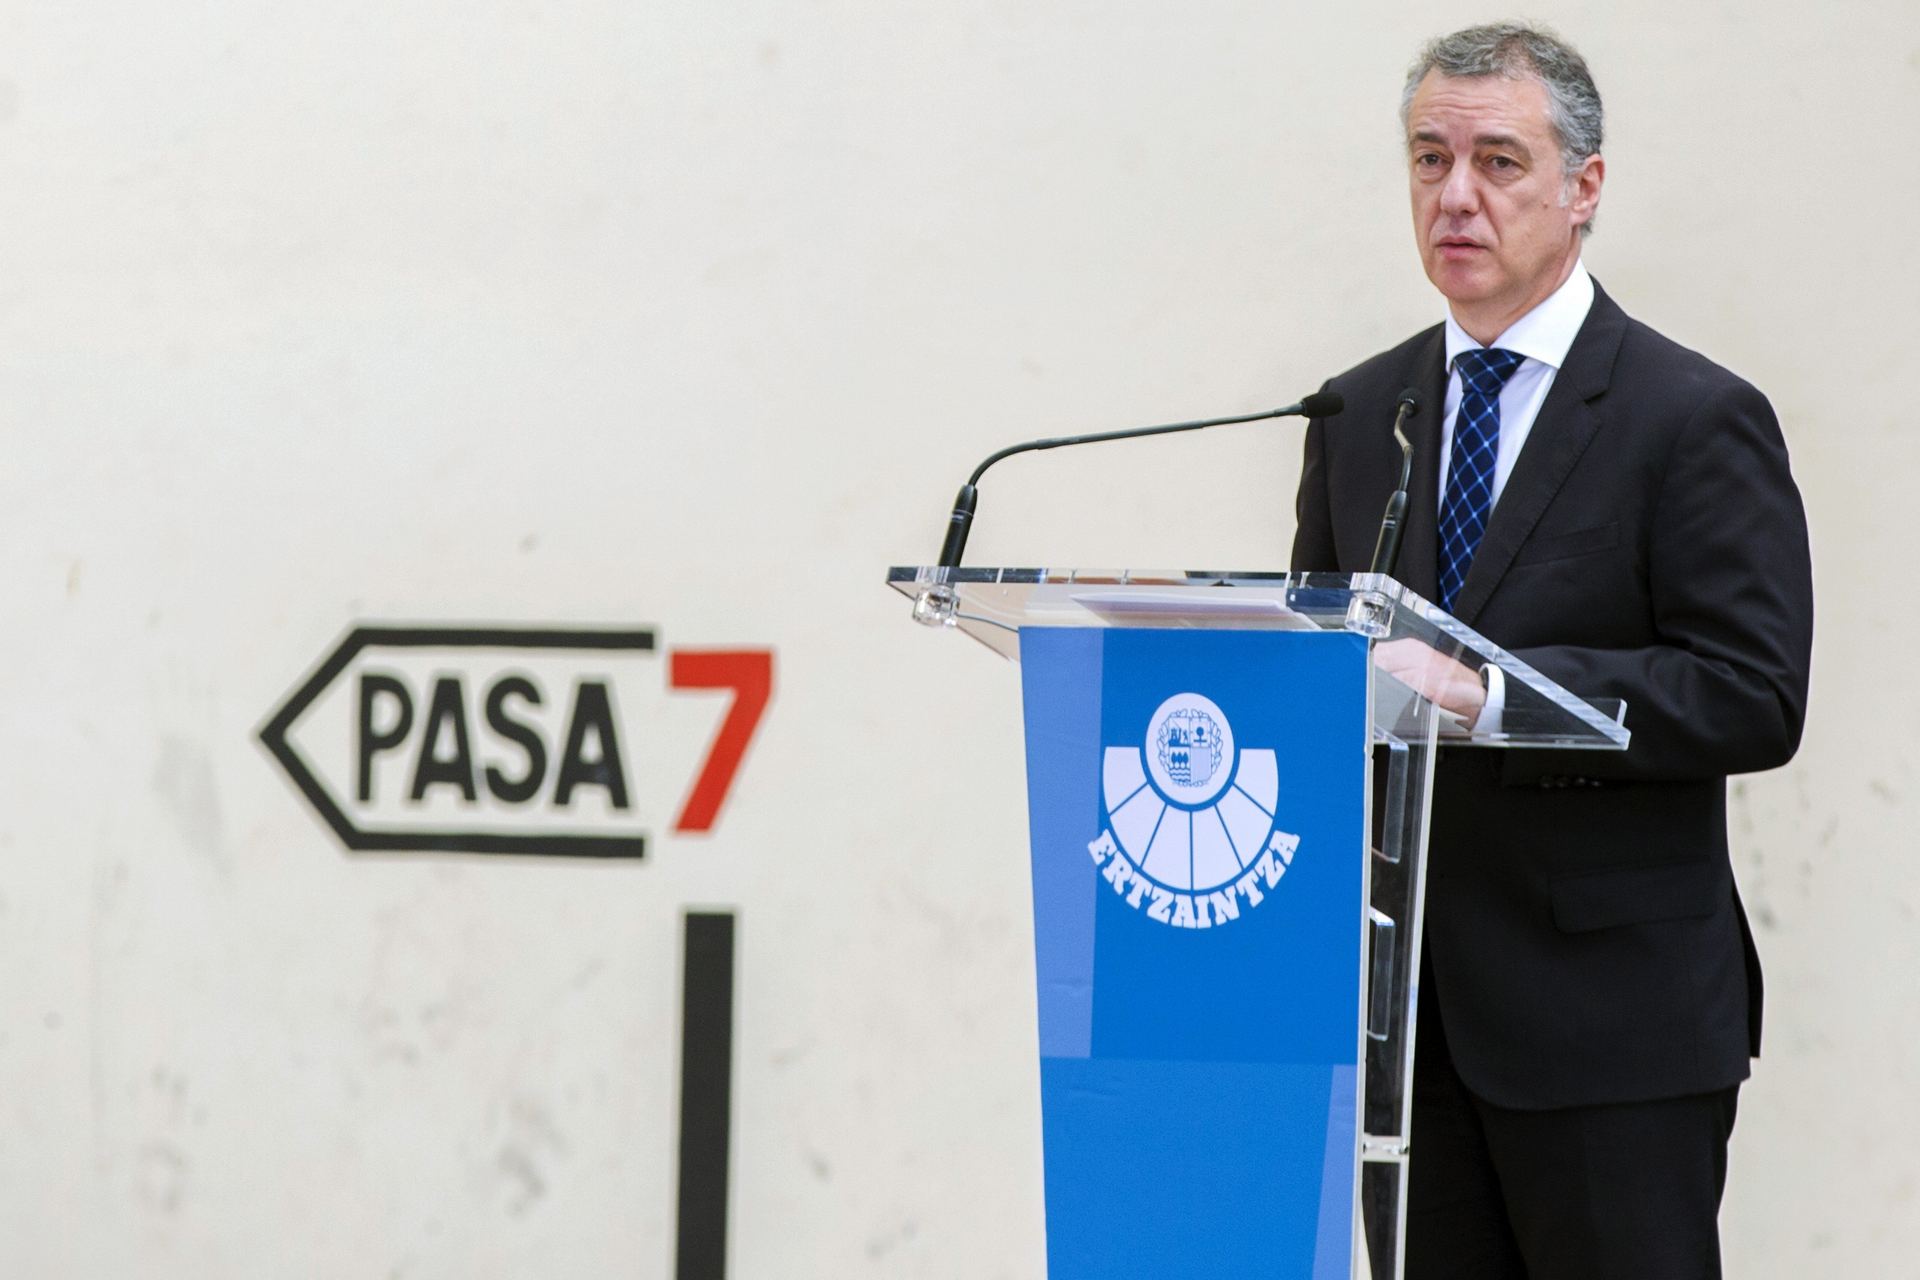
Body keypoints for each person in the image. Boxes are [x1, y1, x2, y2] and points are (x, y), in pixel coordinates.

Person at [1290, 22, 1813, 1279]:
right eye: (1428, 159)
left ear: (1583, 189)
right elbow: (1320, 667)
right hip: (1406, 1033)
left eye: (1497, 162)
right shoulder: (1362, 410)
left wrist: (1494, 696)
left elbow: (1752, 691)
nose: (1455, 196)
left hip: (1609, 1029)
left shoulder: (1690, 417)